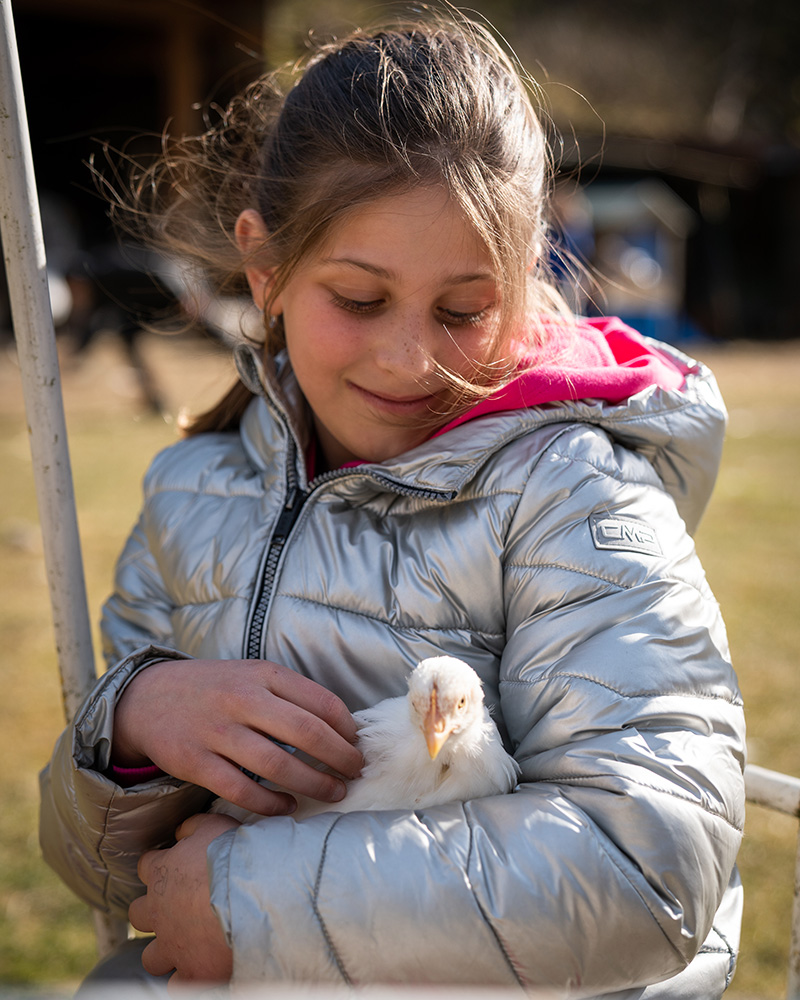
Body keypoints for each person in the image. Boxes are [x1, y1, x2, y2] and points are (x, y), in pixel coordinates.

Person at [39, 9, 745, 998]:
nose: (411, 360)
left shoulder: (572, 490)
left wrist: (250, 904)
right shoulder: (192, 491)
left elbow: (650, 867)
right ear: (265, 266)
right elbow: (114, 879)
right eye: (359, 299)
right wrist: (134, 726)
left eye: (463, 310)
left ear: (526, 279)